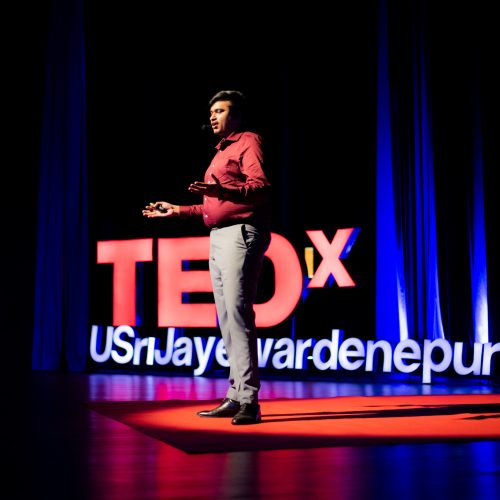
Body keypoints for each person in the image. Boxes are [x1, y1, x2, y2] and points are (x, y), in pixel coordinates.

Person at [143, 90, 271, 425]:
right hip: (219, 236)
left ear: (237, 115)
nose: (213, 116)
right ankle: (235, 394)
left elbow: (260, 188)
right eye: (211, 111)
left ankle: (249, 400)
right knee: (226, 318)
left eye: (220, 111)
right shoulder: (221, 151)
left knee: (238, 315)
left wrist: (222, 191)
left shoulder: (248, 141)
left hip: (241, 233)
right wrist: (178, 210)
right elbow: (212, 206)